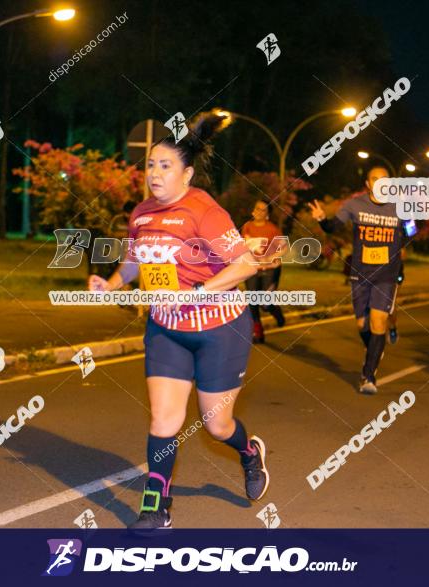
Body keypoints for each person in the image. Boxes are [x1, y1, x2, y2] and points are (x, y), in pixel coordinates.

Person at [88, 112, 270, 532]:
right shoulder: (141, 214)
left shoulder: (203, 209)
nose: (154, 172)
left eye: (165, 165)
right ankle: (156, 507)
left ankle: (249, 453)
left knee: (215, 424)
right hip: (167, 328)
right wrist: (112, 283)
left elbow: (245, 265)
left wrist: (199, 292)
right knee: (163, 419)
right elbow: (134, 261)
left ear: (186, 174)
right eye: (150, 164)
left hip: (218, 329)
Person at [308, 165, 410, 394]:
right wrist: (322, 219)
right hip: (361, 273)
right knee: (362, 325)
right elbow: (334, 227)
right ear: (368, 183)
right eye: (376, 179)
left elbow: (412, 231)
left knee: (378, 322)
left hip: (386, 274)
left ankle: (368, 375)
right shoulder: (354, 205)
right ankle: (376, 346)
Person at [242, 199, 286, 343]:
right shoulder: (247, 227)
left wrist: (271, 257)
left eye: (263, 210)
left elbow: (285, 248)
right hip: (253, 269)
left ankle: (276, 313)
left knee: (265, 304)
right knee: (253, 301)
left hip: (270, 269)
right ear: (253, 210)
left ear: (267, 214)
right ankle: (258, 333)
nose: (259, 212)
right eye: (257, 208)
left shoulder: (273, 229)